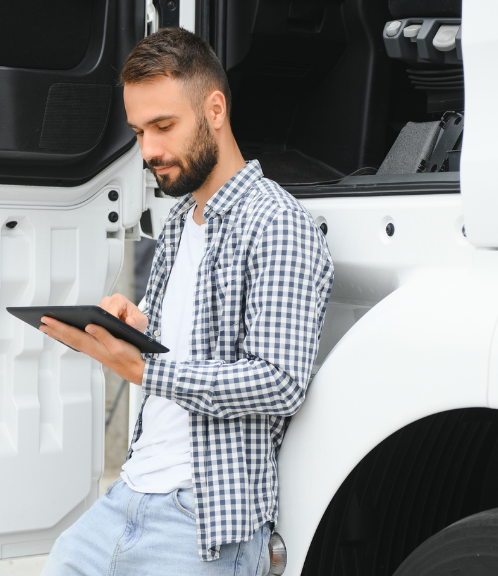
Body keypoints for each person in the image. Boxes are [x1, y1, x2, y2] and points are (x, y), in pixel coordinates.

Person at [37, 27, 334, 576]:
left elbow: (280, 381)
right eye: (139, 130)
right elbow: (182, 341)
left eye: (164, 126)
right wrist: (135, 323)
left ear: (215, 108)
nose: (148, 150)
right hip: (128, 496)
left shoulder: (279, 224)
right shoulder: (180, 221)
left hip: (202, 519)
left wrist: (146, 370)